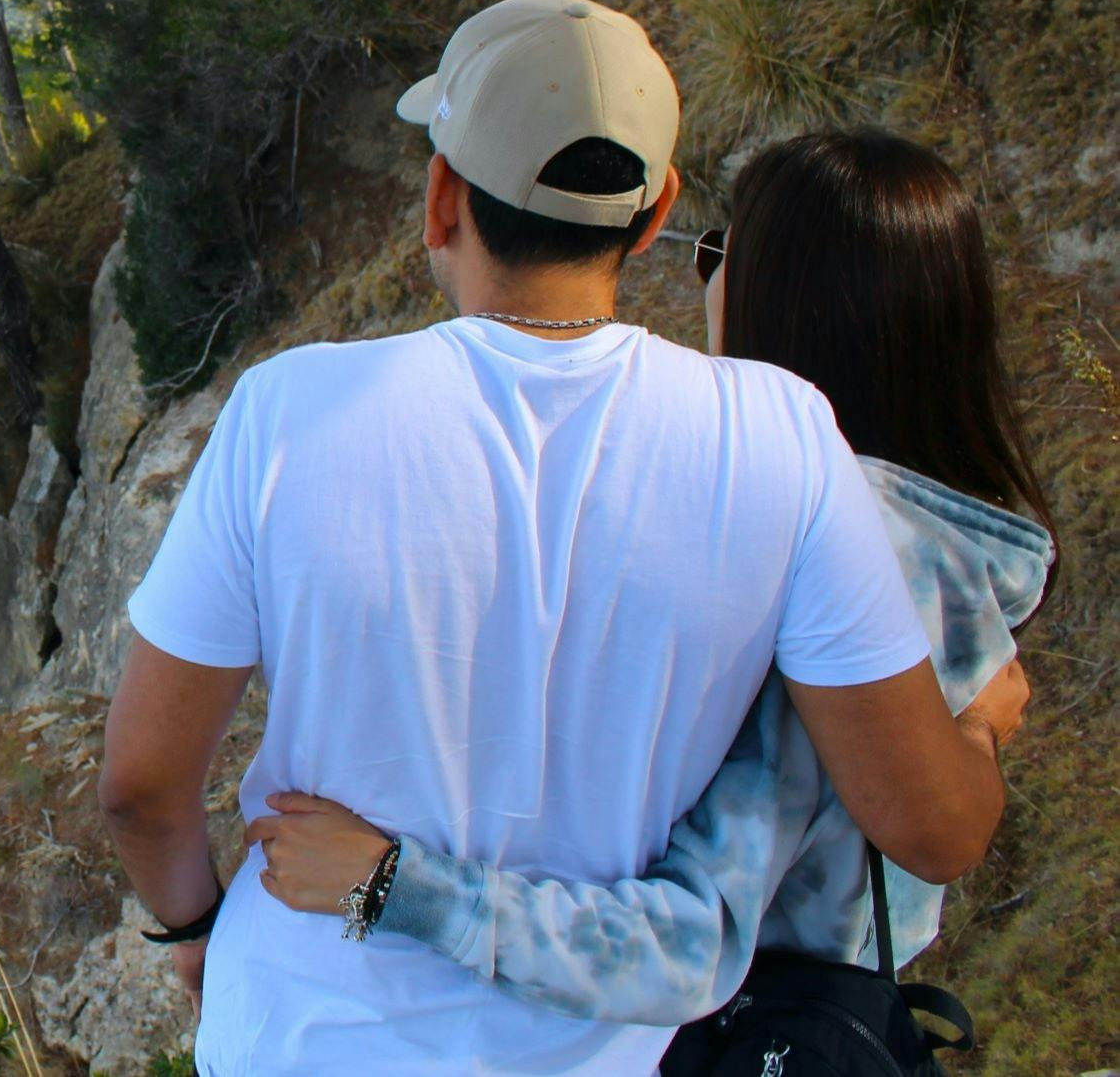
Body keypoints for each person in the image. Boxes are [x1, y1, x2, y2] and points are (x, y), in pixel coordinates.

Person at [97, 0, 1013, 1075]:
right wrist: (981, 727)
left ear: (441, 199)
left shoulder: (287, 413)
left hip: (302, 1034)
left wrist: (195, 928)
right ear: (658, 210)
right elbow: (936, 830)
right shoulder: (782, 434)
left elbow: (143, 785)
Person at [243, 129, 1054, 1038]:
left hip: (737, 1035)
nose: (705, 280)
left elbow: (688, 942)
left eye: (720, 252)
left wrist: (391, 883)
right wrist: (978, 726)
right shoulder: (942, 549)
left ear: (783, 298)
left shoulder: (849, 548)